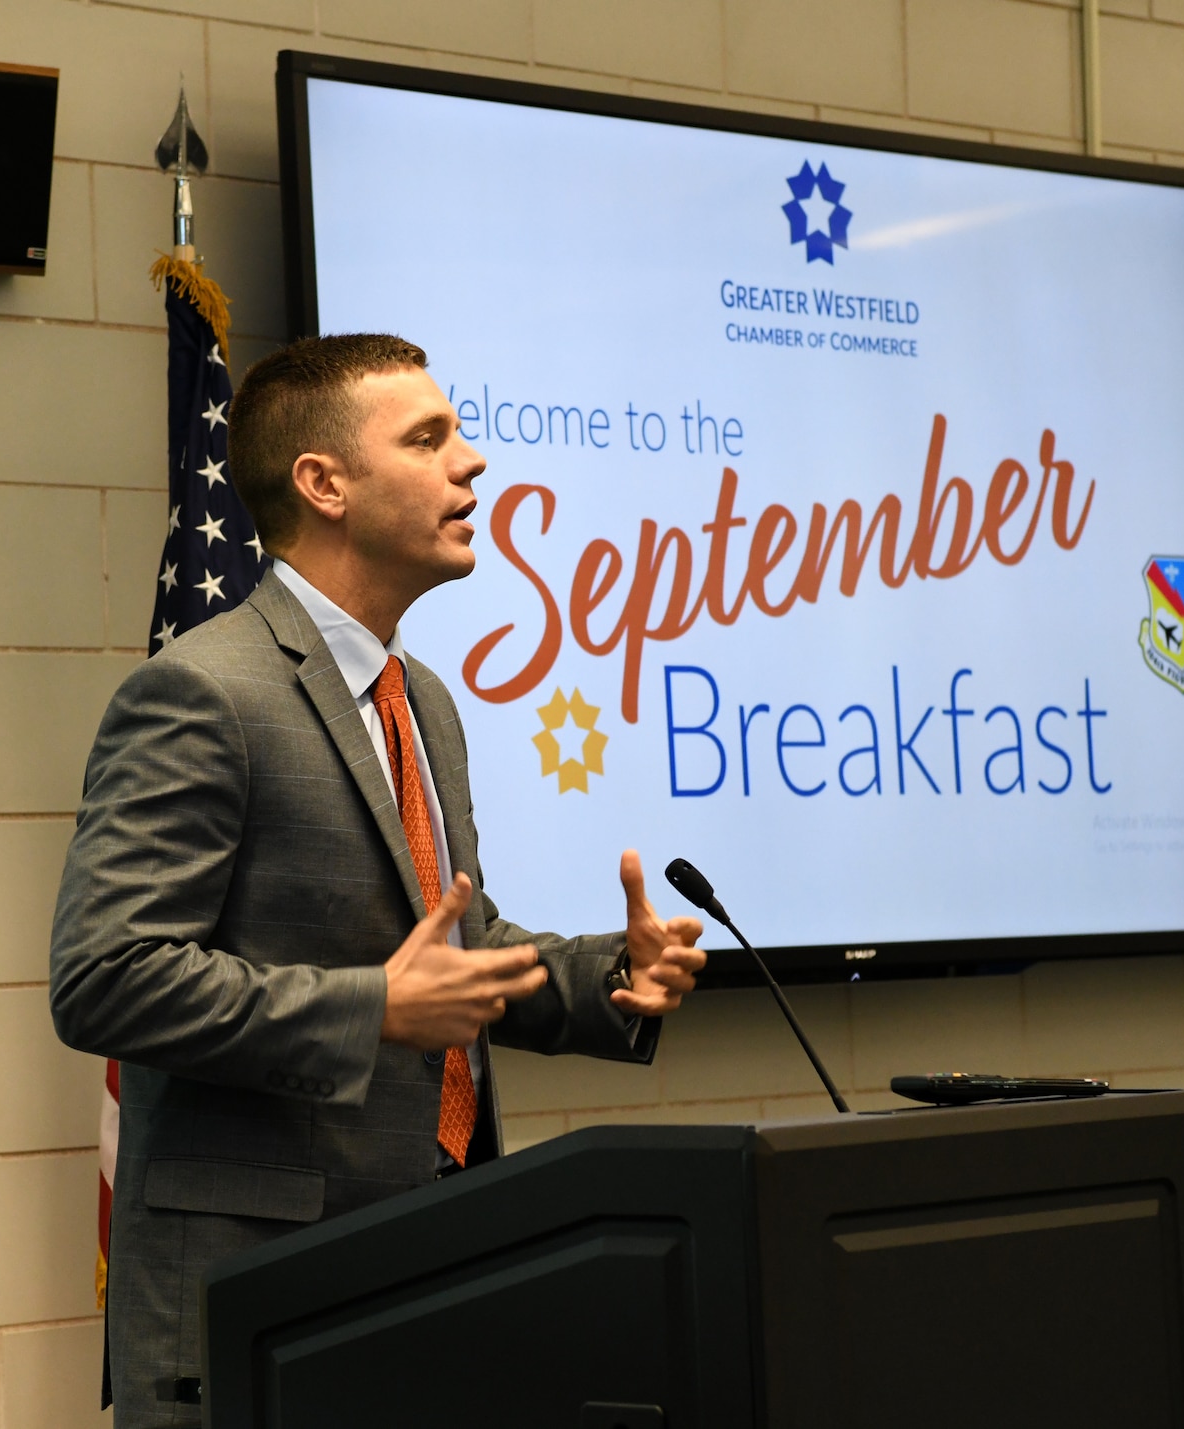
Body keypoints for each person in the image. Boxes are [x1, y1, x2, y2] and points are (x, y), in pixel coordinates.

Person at [50, 333, 707, 1427]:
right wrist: (373, 1009)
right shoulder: (202, 693)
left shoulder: (425, 703)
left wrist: (606, 977)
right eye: (429, 437)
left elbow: (450, 947)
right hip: (257, 1309)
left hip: (419, 1277)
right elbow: (105, 976)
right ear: (324, 484)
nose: (473, 463)